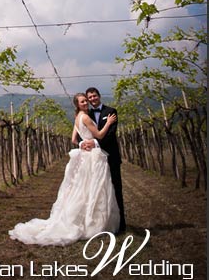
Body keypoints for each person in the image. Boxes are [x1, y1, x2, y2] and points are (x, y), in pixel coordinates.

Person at [8, 93, 120, 246]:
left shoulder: (77, 118)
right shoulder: (86, 117)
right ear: (78, 104)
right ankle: (92, 221)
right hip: (92, 157)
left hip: (83, 156)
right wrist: (108, 123)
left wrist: (82, 144)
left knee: (83, 188)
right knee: (94, 188)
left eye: (86, 100)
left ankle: (83, 218)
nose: (86, 102)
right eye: (83, 101)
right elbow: (100, 135)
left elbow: (74, 139)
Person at [84, 87, 126, 233]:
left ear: (99, 96)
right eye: (89, 97)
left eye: (94, 96)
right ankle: (102, 224)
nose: (92, 99)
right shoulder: (86, 115)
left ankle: (121, 225)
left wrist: (95, 143)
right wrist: (83, 144)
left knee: (116, 189)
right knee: (98, 191)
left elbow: (111, 134)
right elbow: (80, 136)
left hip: (111, 157)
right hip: (94, 159)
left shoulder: (111, 111)